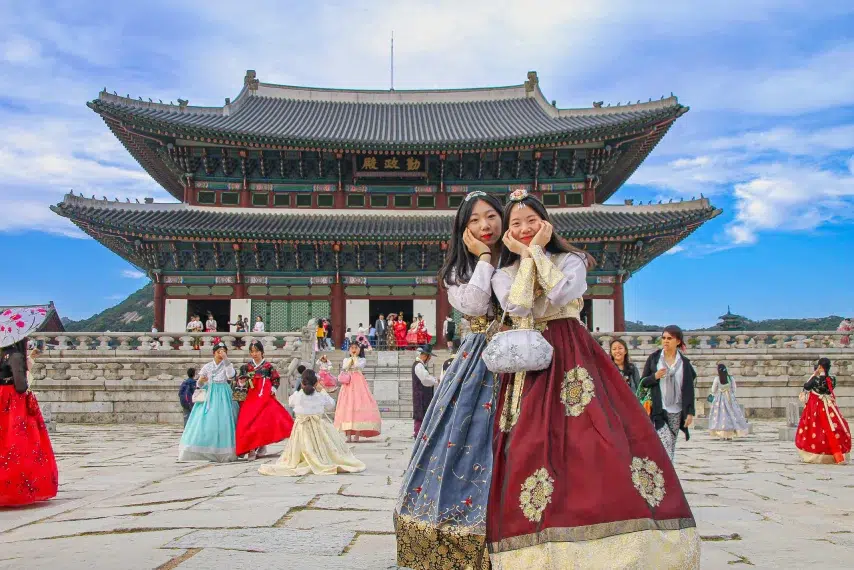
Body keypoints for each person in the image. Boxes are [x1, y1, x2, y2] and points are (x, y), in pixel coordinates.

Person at [487, 189, 699, 568]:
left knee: (594, 435)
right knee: (528, 442)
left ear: (546, 222)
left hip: (573, 355)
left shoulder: (573, 260)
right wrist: (523, 258)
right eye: (515, 224)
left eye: (531, 222)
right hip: (528, 362)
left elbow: (562, 293)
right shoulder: (505, 273)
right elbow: (516, 306)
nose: (523, 229)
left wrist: (535, 253)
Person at [395, 191, 503, 570]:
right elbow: (475, 304)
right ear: (463, 229)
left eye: (491, 216)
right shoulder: (457, 271)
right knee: (468, 440)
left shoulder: (519, 257)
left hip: (525, 352)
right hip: (480, 364)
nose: (484, 225)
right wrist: (486, 259)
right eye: (474, 220)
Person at [259, 369, 366, 476]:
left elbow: (291, 403)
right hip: (317, 426)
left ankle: (302, 458)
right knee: (321, 445)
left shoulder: (297, 395)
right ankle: (318, 457)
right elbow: (331, 404)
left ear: (302, 382)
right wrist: (322, 390)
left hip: (301, 427)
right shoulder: (320, 396)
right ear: (316, 383)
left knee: (300, 446)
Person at [0, 335, 58, 507]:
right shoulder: (15, 356)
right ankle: (13, 488)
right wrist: (27, 368)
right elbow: (20, 386)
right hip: (12, 402)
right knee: (17, 445)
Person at [639, 325, 697, 462]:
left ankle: (666, 478)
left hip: (676, 410)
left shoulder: (684, 363)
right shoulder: (654, 359)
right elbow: (643, 382)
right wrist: (655, 377)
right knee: (664, 444)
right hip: (658, 409)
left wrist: (689, 412)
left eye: (669, 338)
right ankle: (668, 477)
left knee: (671, 445)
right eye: (664, 338)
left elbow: (688, 389)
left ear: (678, 341)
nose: (666, 341)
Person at [178, 340, 238, 462]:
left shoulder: (227, 365)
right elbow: (199, 384)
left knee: (223, 421)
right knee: (204, 421)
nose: (221, 354)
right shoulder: (207, 366)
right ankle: (200, 449)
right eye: (219, 352)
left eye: (224, 352)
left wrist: (226, 359)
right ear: (214, 353)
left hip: (223, 394)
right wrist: (201, 380)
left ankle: (223, 451)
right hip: (209, 394)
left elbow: (231, 376)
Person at [235, 340, 294, 460]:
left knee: (262, 422)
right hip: (250, 398)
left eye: (257, 351)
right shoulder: (246, 367)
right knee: (248, 422)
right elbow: (240, 381)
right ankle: (250, 447)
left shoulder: (268, 367)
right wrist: (241, 383)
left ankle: (260, 445)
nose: (254, 354)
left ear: (262, 352)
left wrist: (273, 388)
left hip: (264, 396)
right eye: (252, 352)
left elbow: (275, 380)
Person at [795, 357, 851, 464]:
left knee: (816, 428)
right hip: (829, 405)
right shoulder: (833, 379)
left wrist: (815, 374)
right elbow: (827, 388)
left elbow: (806, 387)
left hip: (817, 406)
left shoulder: (815, 380)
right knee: (834, 426)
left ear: (820, 367)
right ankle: (837, 454)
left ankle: (817, 454)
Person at [334, 343, 381, 443]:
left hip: (358, 383)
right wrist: (351, 358)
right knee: (347, 406)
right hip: (348, 383)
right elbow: (345, 367)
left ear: (359, 350)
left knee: (359, 405)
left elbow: (358, 366)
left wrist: (355, 358)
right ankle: (348, 435)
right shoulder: (346, 359)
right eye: (352, 348)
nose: (354, 349)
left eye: (356, 348)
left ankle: (357, 435)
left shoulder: (362, 360)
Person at [707, 364, 750, 440]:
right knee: (732, 414)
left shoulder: (717, 379)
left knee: (720, 415)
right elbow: (734, 389)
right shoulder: (731, 378)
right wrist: (730, 393)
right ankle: (731, 432)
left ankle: (721, 432)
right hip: (729, 397)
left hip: (720, 398)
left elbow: (713, 390)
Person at [410, 346, 438, 437]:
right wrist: (436, 381)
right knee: (420, 414)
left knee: (423, 413)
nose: (429, 359)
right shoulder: (418, 365)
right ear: (424, 355)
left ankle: (421, 433)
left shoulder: (420, 365)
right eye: (429, 356)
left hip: (423, 394)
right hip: (420, 394)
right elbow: (425, 379)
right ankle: (418, 434)